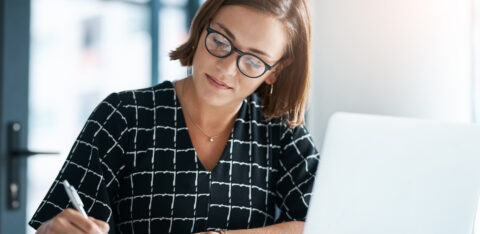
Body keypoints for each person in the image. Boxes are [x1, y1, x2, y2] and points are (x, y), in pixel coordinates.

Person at [29, 0, 319, 233]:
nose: (226, 69)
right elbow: (60, 222)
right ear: (201, 27)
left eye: (253, 61)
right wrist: (52, 231)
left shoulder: (282, 132)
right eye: (220, 41)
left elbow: (325, 224)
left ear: (276, 72)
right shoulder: (123, 116)